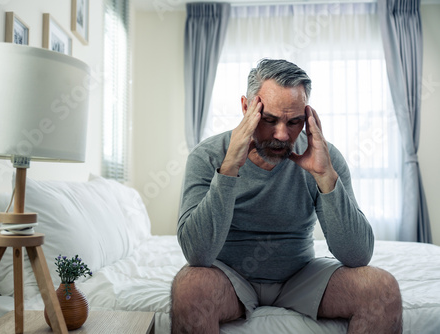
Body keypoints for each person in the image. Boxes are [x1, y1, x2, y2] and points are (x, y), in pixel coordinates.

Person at [171, 59, 402, 333]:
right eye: (269, 120)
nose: (281, 134)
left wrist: (325, 177)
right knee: (189, 287)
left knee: (381, 288)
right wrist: (229, 168)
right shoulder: (207, 156)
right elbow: (197, 254)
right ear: (246, 108)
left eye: (294, 122)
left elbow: (357, 255)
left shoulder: (323, 157)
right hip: (230, 279)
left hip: (300, 277)